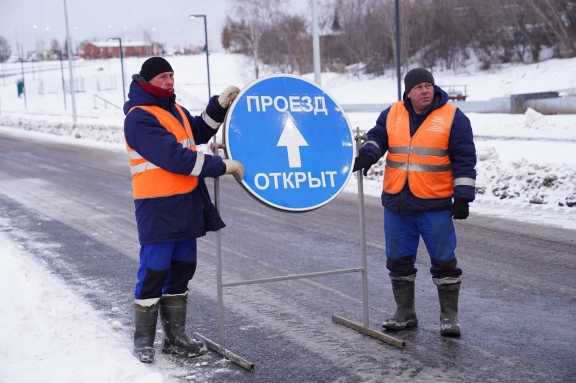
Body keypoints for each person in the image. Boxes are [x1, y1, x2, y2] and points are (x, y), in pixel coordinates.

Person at [123, 56, 244, 363]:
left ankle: (176, 339)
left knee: (182, 271)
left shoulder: (174, 110)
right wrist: (221, 166)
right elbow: (175, 157)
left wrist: (219, 105)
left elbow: (199, 132)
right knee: (154, 271)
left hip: (185, 204)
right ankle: (144, 342)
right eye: (163, 77)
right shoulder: (138, 118)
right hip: (157, 208)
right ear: (147, 81)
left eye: (171, 76)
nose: (169, 81)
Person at [353, 68, 476, 337]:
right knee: (398, 260)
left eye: (428, 85)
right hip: (398, 204)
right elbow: (377, 138)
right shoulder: (392, 114)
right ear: (408, 92)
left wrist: (463, 197)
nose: (425, 90)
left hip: (435, 205)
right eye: (418, 87)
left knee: (444, 261)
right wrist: (368, 155)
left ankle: (449, 317)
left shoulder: (454, 117)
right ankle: (405, 313)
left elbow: (465, 159)